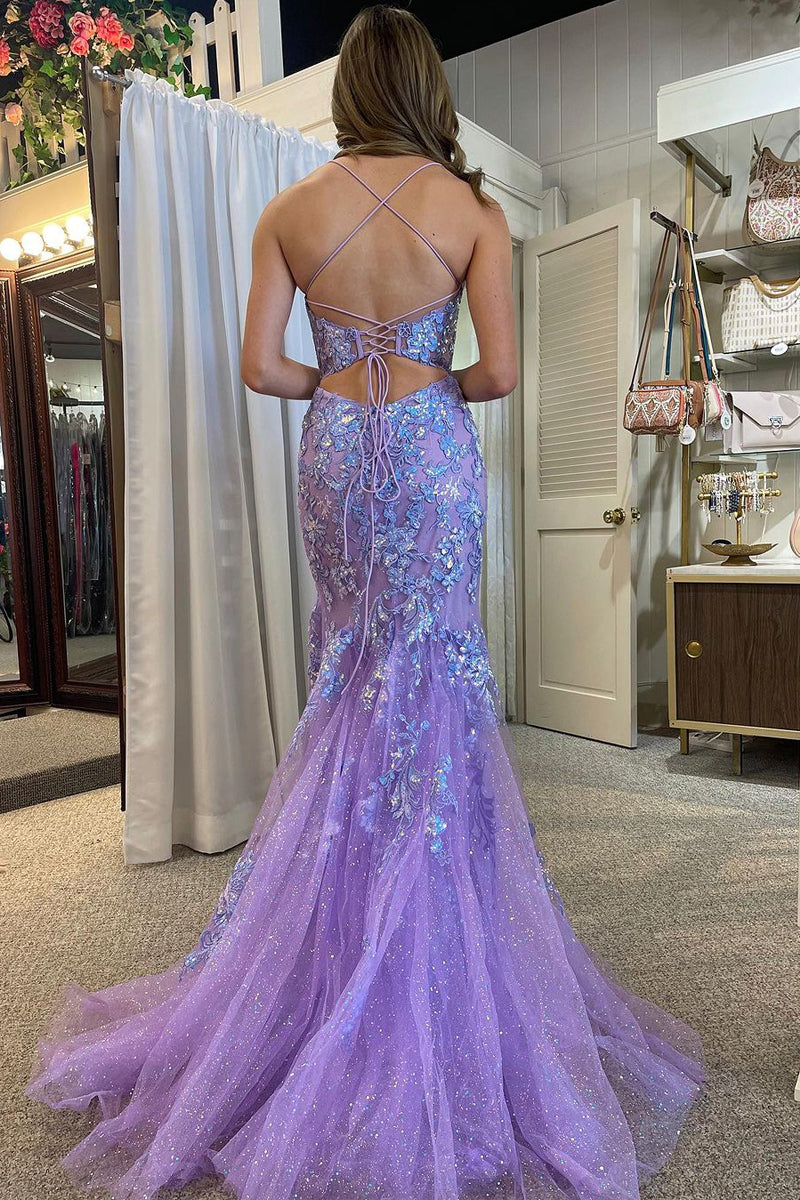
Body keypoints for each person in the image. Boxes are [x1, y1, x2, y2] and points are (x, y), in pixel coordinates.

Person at [27, 7, 706, 1198]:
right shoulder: (471, 212)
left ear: (347, 90)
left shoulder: (289, 211)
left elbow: (260, 366)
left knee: (350, 676)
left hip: (337, 450)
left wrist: (342, 378)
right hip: (428, 447)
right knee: (433, 678)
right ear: (427, 90)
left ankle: (330, 935)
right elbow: (498, 372)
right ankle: (425, 931)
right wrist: (426, 377)